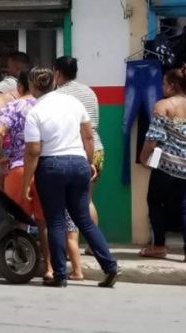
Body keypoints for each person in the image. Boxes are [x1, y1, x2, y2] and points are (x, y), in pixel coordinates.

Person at [22, 67, 120, 288]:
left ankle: (59, 275)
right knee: (83, 219)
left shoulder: (35, 112)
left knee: (55, 221)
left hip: (51, 166)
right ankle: (110, 266)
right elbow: (88, 135)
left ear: (33, 86)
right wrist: (89, 162)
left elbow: (33, 151)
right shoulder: (74, 103)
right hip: (78, 163)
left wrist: (27, 180)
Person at [0, 68, 82, 280]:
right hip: (45, 169)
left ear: (20, 87)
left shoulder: (13, 106)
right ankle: (49, 268)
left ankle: (19, 265)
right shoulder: (49, 105)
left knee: (17, 221)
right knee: (45, 223)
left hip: (18, 170)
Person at [139, 64, 186, 264]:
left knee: (155, 201)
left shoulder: (162, 106)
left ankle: (159, 246)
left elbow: (153, 137)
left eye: (164, 83)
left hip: (167, 165)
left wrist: (144, 157)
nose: (161, 86)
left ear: (172, 85)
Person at [54, 56, 102, 258]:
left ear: (57, 73)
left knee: (65, 203)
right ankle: (93, 246)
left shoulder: (57, 95)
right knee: (86, 200)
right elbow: (94, 125)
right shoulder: (89, 92)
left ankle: (68, 249)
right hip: (96, 149)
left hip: (72, 151)